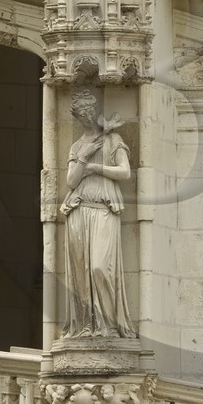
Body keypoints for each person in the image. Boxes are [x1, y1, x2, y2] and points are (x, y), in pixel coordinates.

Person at [61, 89, 134, 338]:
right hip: (79, 211)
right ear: (77, 118)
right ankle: (85, 326)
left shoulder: (113, 139)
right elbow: (71, 181)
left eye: (90, 111)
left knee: (99, 268)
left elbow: (125, 172)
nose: (87, 117)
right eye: (82, 114)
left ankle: (108, 326)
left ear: (96, 111)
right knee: (81, 274)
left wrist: (95, 167)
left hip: (104, 209)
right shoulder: (77, 146)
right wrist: (84, 157)